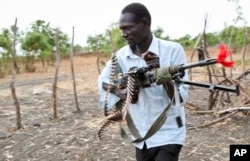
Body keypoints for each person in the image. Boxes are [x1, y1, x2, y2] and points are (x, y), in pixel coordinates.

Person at [98, 2, 189, 161]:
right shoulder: (121, 56)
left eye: (128, 28)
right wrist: (122, 93)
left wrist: (162, 74)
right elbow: (103, 82)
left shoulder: (172, 50)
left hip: (169, 131)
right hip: (141, 134)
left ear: (144, 24)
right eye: (122, 29)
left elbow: (180, 98)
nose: (124, 34)